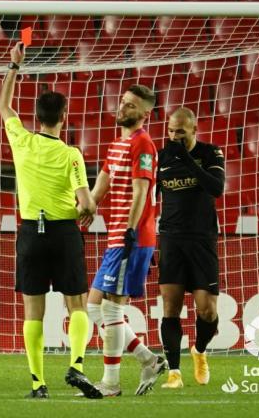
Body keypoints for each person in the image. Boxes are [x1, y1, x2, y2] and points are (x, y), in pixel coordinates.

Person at [0, 42, 100, 400]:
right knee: (77, 305)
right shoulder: (72, 154)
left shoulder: (22, 141)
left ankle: (38, 384)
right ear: (64, 116)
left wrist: (14, 65)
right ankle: (77, 364)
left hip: (30, 232)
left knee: (33, 310)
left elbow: (3, 105)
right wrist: (87, 210)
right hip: (64, 232)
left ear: (37, 117)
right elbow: (86, 202)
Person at [86, 84, 167, 397]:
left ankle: (110, 383)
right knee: (94, 307)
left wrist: (130, 230)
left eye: (131, 106)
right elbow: (102, 182)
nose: (123, 108)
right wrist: (88, 206)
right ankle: (148, 359)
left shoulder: (143, 144)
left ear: (144, 114)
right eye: (122, 102)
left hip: (131, 237)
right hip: (116, 236)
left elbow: (141, 191)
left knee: (110, 311)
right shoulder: (117, 143)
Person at [157, 107, 225, 389]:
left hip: (201, 240)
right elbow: (149, 196)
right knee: (170, 306)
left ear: (194, 130)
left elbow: (216, 188)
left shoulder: (211, 153)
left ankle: (199, 350)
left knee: (207, 310)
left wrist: (187, 161)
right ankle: (174, 372)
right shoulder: (161, 158)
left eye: (180, 132)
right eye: (171, 131)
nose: (174, 137)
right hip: (171, 239)